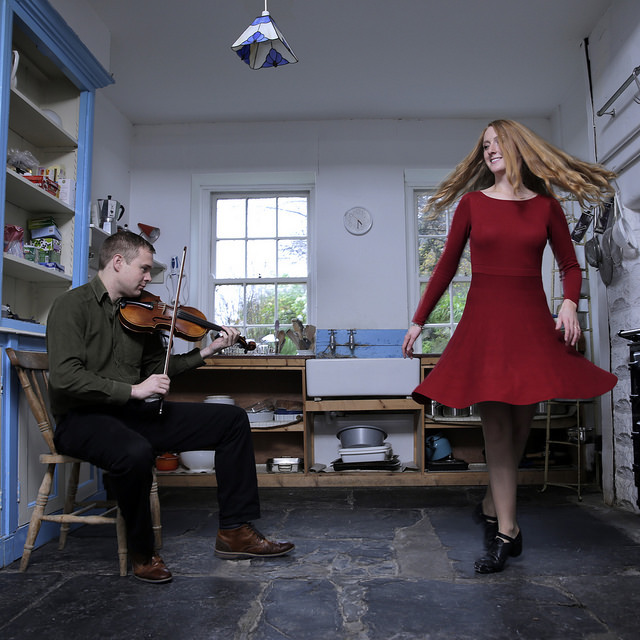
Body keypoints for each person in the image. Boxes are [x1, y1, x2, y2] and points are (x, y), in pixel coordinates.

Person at [402, 119, 617, 574]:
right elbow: (444, 268)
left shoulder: (545, 208)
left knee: (521, 427)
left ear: (518, 149)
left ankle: (491, 503)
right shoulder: (472, 204)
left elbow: (570, 265)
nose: (491, 150)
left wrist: (568, 304)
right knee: (497, 430)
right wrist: (419, 319)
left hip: (530, 328)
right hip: (485, 328)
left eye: (498, 142)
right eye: (485, 145)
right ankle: (508, 532)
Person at [46, 231, 294, 584]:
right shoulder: (72, 306)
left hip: (130, 415)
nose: (149, 278)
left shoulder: (141, 312)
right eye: (144, 269)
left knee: (232, 420)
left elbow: (154, 371)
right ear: (118, 262)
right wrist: (133, 390)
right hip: (82, 419)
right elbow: (65, 378)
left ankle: (235, 532)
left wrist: (206, 352)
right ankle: (143, 554)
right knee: (134, 451)